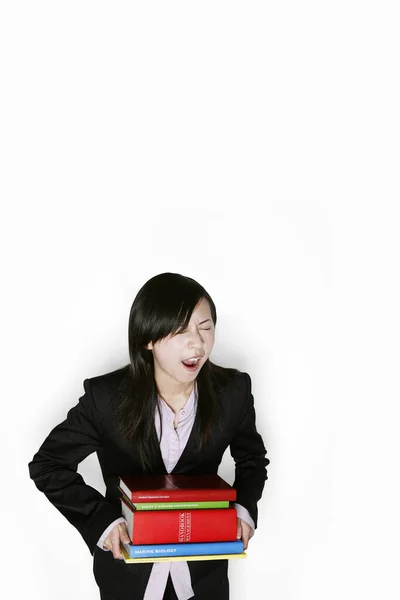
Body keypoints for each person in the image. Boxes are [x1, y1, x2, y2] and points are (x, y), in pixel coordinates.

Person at [28, 272, 269, 600]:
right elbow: (48, 464)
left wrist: (243, 509)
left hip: (204, 574)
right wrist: (103, 523)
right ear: (149, 339)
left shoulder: (234, 392)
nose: (197, 343)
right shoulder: (106, 398)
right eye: (181, 331)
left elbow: (252, 458)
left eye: (205, 327)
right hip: (127, 573)